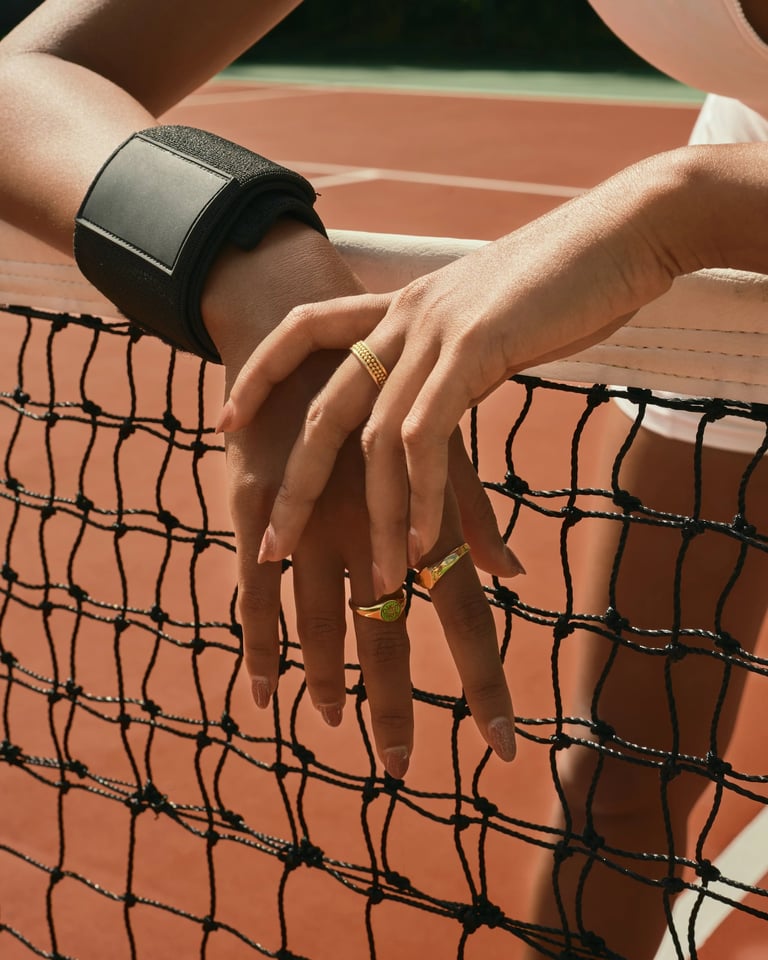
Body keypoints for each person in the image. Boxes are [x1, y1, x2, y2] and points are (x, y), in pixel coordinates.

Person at [215, 2, 768, 957]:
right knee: (623, 772)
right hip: (746, 221)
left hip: (722, 206)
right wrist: (272, 273)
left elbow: (676, 212)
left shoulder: (680, 204)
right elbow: (26, 78)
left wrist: (670, 213)